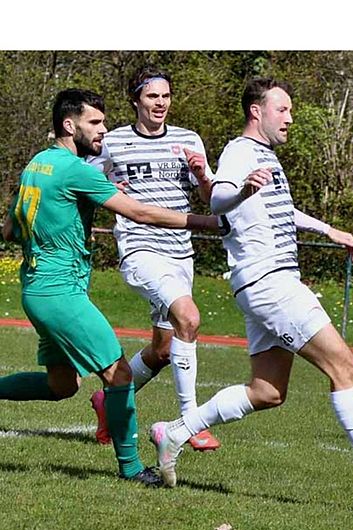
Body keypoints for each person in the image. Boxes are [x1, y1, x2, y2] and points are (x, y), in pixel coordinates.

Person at [149, 77, 353, 498]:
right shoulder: (241, 151)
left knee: (267, 391)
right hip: (272, 282)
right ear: (256, 112)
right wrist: (242, 190)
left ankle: (177, 432)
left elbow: (281, 208)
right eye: (282, 110)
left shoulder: (264, 157)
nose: (290, 118)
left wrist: (329, 229)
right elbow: (219, 198)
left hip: (261, 283)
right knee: (345, 366)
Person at [0, 89, 223, 486]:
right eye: (95, 123)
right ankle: (132, 469)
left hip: (36, 287)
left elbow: (10, 227)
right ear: (70, 126)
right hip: (60, 293)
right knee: (119, 375)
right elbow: (138, 213)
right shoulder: (77, 170)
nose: (103, 130)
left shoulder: (37, 164)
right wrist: (209, 223)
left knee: (61, 385)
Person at [88, 65, 219, 452]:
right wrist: (106, 187)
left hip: (181, 252)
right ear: (135, 101)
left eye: (165, 96)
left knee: (164, 349)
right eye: (151, 96)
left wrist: (203, 176)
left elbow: (213, 200)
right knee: (189, 316)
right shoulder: (112, 142)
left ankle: (108, 401)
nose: (160, 103)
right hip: (140, 247)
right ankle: (189, 423)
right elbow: (80, 181)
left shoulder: (188, 139)